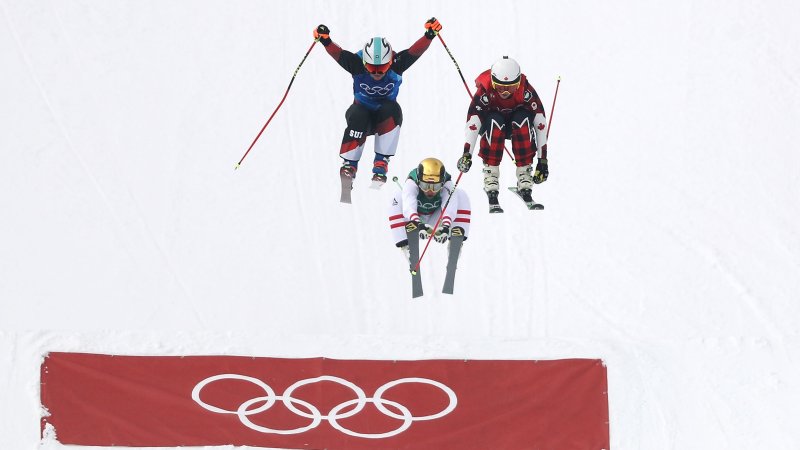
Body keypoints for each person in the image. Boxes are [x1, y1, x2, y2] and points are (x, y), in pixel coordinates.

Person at [313, 18, 443, 185]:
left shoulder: (397, 64)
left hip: (384, 118)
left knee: (393, 109)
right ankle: (349, 165)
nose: (376, 72)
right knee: (358, 113)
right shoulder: (356, 64)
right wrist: (325, 40)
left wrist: (429, 35)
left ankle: (381, 163)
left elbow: (414, 52)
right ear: (364, 62)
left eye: (381, 67)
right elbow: (339, 54)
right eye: (371, 68)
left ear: (389, 62)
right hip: (361, 117)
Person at [456, 56, 549, 211]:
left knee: (523, 118)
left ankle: (525, 177)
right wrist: (467, 154)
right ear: (493, 82)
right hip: (492, 127)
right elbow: (473, 124)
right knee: (495, 120)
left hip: (516, 127)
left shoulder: (526, 91)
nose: (505, 91)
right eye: (499, 87)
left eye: (511, 87)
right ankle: (491, 177)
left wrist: (543, 161)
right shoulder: (485, 91)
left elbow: (540, 124)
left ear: (518, 83)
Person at [387, 158, 470, 260]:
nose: (430, 190)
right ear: (419, 181)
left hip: (437, 219)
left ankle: (455, 244)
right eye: (425, 185)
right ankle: (406, 247)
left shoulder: (447, 183)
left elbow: (449, 205)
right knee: (397, 195)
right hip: (415, 221)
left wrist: (446, 226)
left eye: (436, 186)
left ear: (442, 182)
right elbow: (409, 205)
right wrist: (418, 223)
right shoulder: (411, 181)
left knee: (460, 194)